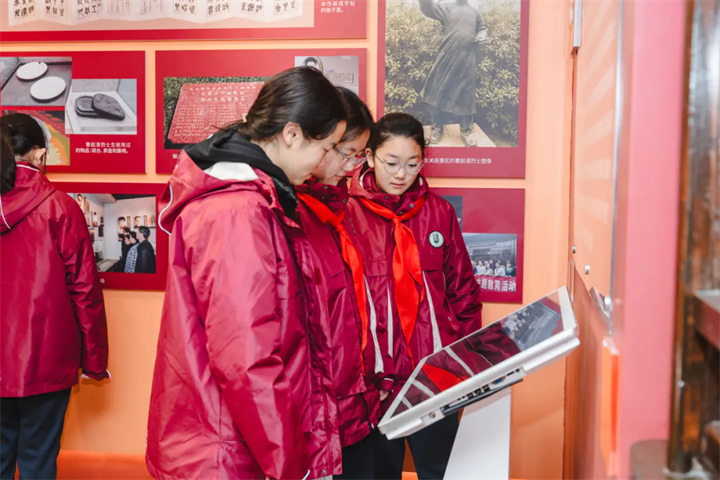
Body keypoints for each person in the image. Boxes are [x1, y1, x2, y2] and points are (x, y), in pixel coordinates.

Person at [146, 67, 347, 480]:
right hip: (225, 452)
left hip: (235, 442)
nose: (324, 163)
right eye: (325, 147)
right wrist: (289, 465)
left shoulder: (256, 199)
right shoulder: (237, 211)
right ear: (292, 134)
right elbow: (245, 357)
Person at [347, 112, 484, 480]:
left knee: (441, 470)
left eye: (412, 164)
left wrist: (464, 363)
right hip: (374, 385)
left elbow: (463, 292)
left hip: (433, 377)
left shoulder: (439, 213)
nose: (401, 174)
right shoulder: (345, 213)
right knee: (380, 472)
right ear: (370, 156)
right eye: (391, 163)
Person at [0, 113, 109, 480]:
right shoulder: (61, 208)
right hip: (45, 359)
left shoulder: (58, 207)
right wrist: (94, 361)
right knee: (38, 462)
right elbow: (85, 290)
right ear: (40, 154)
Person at [296, 87, 386, 480]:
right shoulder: (289, 213)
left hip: (354, 396)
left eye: (358, 156)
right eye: (346, 153)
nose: (351, 167)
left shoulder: (337, 206)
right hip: (319, 407)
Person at [419, 0, 488, 147]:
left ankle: (466, 132)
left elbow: (482, 28)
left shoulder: (475, 11)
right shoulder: (446, 7)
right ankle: (437, 130)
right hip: (447, 58)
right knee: (438, 92)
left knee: (467, 96)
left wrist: (482, 35)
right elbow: (428, 9)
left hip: (467, 60)